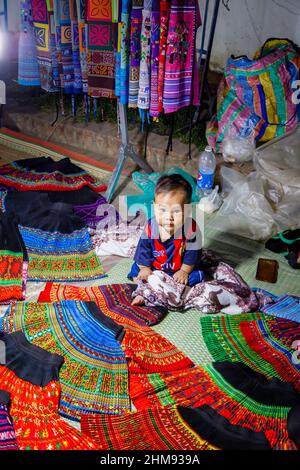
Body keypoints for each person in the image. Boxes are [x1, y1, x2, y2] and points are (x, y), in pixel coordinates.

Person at [128, 174, 204, 305]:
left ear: (188, 210)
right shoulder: (151, 228)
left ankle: (165, 291)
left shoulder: (191, 229)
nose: (169, 217)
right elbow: (143, 250)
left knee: (197, 276)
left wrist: (184, 271)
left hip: (178, 271)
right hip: (154, 268)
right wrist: (145, 268)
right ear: (154, 207)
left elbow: (193, 253)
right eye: (162, 210)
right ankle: (146, 290)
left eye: (176, 211)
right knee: (136, 269)